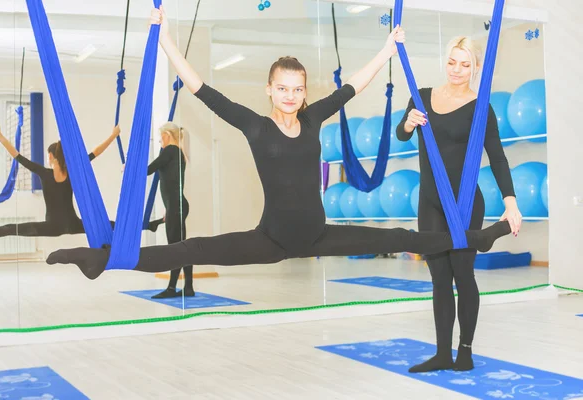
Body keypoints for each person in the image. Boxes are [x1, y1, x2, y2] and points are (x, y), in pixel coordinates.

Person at [46, 7, 513, 298]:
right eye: (283, 88)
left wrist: (388, 49)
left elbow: (353, 86)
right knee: (190, 247)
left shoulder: (312, 119)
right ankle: (104, 259)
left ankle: (478, 238)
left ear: (304, 91)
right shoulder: (255, 125)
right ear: (270, 90)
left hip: (318, 236)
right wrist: (163, 38)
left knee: (400, 238)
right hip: (270, 238)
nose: (291, 95)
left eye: (298, 88)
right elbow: (202, 89)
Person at [396, 36, 522, 372]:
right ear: (445, 60)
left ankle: (464, 350)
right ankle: (441, 353)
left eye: (465, 64)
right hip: (431, 201)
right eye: (452, 61)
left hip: (465, 202)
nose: (457, 70)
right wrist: (408, 122)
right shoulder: (421, 97)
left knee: (462, 274)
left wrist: (511, 202)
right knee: (439, 278)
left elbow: (496, 156)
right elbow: (402, 134)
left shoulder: (481, 108)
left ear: (476, 67)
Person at [0, 123, 163, 238]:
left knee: (10, 229)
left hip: (52, 227)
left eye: (48, 155)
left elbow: (17, 156)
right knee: (115, 225)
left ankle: (150, 225)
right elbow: (96, 152)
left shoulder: (44, 173)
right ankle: (150, 225)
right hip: (72, 224)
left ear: (52, 156)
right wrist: (113, 135)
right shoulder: (73, 172)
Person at [147, 122, 194, 298]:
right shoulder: (177, 153)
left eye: (161, 138)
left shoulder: (170, 151)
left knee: (176, 248)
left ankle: (172, 288)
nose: (161, 142)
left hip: (177, 205)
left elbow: (148, 170)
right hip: (176, 205)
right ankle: (187, 287)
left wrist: (128, 169)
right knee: (182, 247)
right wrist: (169, 208)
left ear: (167, 135)